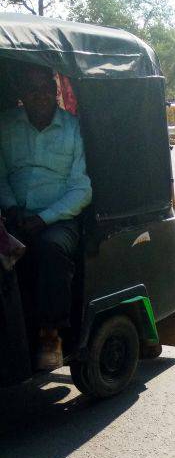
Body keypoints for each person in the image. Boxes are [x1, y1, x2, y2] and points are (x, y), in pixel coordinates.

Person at [0, 64, 92, 370]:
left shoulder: (73, 129)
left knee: (50, 250)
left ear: (55, 93)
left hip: (58, 217)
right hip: (12, 212)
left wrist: (43, 219)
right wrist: (12, 209)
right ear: (22, 95)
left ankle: (50, 334)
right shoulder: (6, 125)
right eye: (32, 90)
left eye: (45, 89)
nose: (39, 96)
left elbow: (81, 189)